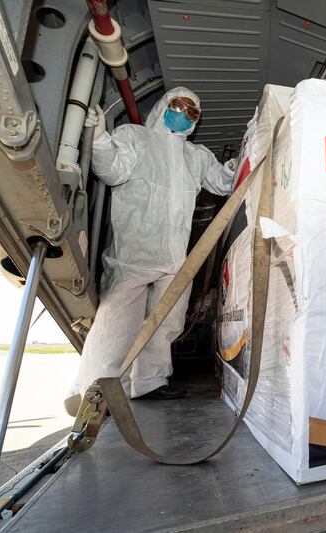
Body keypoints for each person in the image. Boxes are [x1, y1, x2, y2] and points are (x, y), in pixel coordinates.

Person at [65, 87, 236, 415]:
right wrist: (99, 136)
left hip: (174, 257)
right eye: (178, 105)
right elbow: (112, 169)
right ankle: (93, 388)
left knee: (167, 321)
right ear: (163, 106)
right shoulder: (136, 137)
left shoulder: (196, 156)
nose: (183, 113)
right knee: (116, 320)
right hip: (134, 252)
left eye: (192, 112)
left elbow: (222, 183)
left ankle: (149, 382)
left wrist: (232, 166)